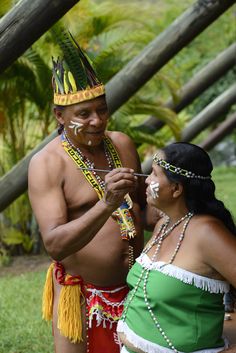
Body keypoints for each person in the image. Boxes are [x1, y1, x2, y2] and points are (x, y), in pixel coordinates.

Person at [28, 29, 146, 353]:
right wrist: (106, 203)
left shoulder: (121, 144)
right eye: (83, 114)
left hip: (136, 286)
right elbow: (54, 244)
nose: (97, 120)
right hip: (80, 295)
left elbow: (143, 211)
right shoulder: (47, 164)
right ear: (60, 116)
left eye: (103, 109)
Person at [117, 142, 236, 353]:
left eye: (154, 174)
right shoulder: (165, 223)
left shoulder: (208, 234)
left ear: (176, 189)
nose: (146, 181)